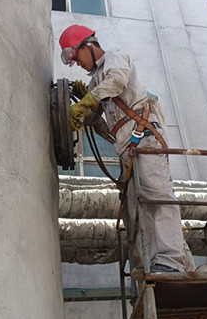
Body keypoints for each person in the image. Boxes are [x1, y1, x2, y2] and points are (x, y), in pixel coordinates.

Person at [59, 24, 194, 273]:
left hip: (146, 139)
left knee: (156, 197)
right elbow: (106, 128)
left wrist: (90, 98)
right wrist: (86, 116)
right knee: (136, 211)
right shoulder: (96, 82)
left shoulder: (115, 57)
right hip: (128, 150)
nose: (78, 64)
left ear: (88, 45)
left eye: (77, 57)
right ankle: (152, 266)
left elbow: (117, 81)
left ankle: (171, 261)